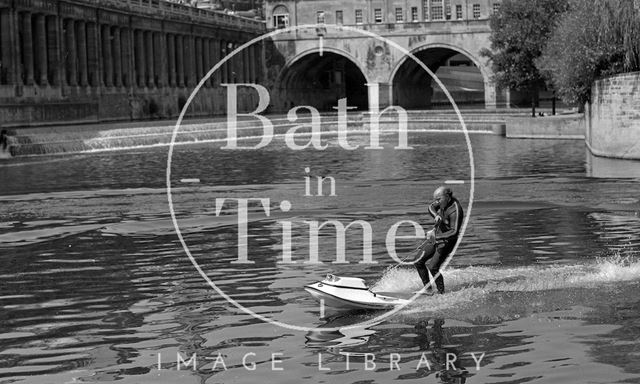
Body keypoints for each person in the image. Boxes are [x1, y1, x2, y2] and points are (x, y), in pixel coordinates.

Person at [414, 186, 464, 294]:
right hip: (438, 236)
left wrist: (435, 237)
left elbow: (454, 232)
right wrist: (436, 215)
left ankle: (441, 293)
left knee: (433, 267)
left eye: (438, 199)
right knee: (418, 260)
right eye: (435, 199)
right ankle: (428, 290)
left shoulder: (455, 210)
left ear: (447, 197)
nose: (436, 202)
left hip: (448, 241)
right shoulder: (441, 201)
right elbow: (430, 207)